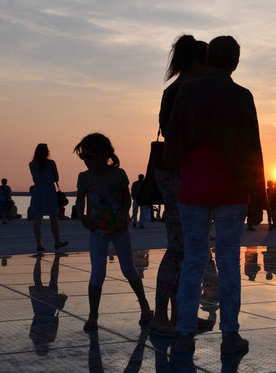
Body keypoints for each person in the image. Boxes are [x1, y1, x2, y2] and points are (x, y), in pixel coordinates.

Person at [165, 36, 266, 354]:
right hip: (232, 190)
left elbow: (173, 141)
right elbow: (253, 148)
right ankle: (230, 335)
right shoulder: (242, 96)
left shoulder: (187, 91)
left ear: (208, 58)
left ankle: (183, 335)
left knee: (194, 261)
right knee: (228, 261)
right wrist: (258, 199)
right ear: (236, 62)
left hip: (193, 187)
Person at [149, 35, 214, 337]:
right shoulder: (186, 92)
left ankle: (179, 316)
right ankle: (162, 316)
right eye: (206, 61)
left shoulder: (172, 91)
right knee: (179, 249)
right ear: (194, 62)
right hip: (181, 175)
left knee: (184, 250)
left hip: (180, 174)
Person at [73, 133, 152, 332]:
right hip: (97, 230)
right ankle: (93, 315)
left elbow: (127, 199)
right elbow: (80, 201)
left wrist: (124, 215)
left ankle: (144, 307)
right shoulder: (85, 177)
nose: (86, 162)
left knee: (129, 269)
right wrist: (82, 217)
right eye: (83, 158)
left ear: (104, 155)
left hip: (119, 229)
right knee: (98, 273)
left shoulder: (118, 174)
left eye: (89, 157)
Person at [29, 144, 68, 252]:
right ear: (47, 152)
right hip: (49, 191)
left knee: (38, 219)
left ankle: (39, 243)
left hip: (38, 191)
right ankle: (57, 241)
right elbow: (56, 177)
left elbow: (35, 178)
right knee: (53, 218)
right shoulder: (51, 163)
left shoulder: (32, 164)